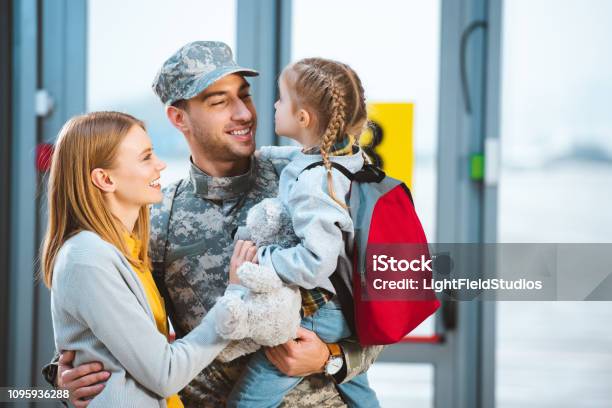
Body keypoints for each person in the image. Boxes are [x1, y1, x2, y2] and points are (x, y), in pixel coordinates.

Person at [44, 41, 382, 407]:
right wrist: (63, 378)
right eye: (220, 102)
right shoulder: (154, 218)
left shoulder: (310, 177)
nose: (243, 114)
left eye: (245, 96)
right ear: (178, 118)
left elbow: (388, 305)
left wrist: (331, 357)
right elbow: (111, 322)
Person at [42, 111, 255, 407]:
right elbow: (163, 372)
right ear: (104, 179)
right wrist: (235, 299)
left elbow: (109, 338)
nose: (161, 165)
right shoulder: (87, 257)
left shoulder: (131, 246)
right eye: (145, 157)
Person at [226, 57, 380, 408]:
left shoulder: (314, 182)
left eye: (280, 99)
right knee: (359, 391)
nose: (274, 106)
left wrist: (264, 259)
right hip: (345, 303)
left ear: (303, 118)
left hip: (318, 310)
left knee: (246, 401)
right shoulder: (350, 161)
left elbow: (315, 261)